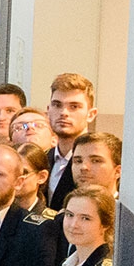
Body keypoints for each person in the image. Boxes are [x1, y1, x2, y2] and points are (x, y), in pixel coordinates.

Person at [43, 73, 99, 206]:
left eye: (74, 106)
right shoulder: (42, 159)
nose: (64, 113)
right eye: (57, 105)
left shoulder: (99, 162)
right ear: (48, 110)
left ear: (91, 114)